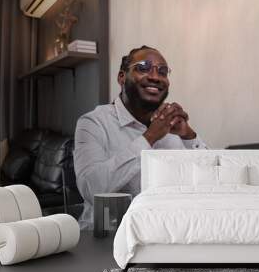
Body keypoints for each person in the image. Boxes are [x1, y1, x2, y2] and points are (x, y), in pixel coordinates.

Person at [74, 46, 207, 229]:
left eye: (162, 71)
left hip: (167, 236)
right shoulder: (93, 123)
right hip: (105, 239)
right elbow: (91, 189)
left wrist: (188, 135)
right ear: (122, 77)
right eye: (143, 68)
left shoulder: (172, 128)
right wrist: (149, 137)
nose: (155, 76)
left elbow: (211, 182)